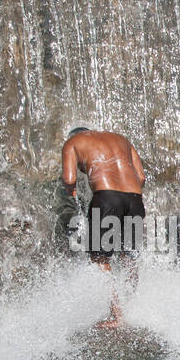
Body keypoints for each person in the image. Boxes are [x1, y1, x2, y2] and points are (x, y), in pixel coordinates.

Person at [61, 127, 146, 329]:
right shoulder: (121, 138)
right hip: (135, 199)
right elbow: (141, 177)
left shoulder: (73, 143)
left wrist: (71, 190)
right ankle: (130, 308)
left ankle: (116, 315)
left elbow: (69, 178)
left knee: (100, 257)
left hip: (107, 198)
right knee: (129, 255)